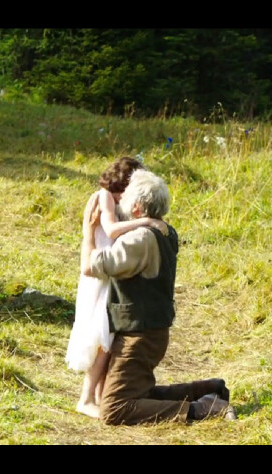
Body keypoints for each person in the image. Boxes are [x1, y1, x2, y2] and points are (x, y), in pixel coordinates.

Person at [81, 169, 235, 425]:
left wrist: (89, 231)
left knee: (115, 409)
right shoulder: (165, 232)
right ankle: (209, 390)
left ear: (138, 208)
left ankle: (204, 408)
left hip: (138, 336)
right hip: (150, 331)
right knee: (138, 394)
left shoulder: (140, 240)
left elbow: (91, 266)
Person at [66, 157, 167, 419]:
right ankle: (86, 398)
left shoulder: (114, 198)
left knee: (108, 335)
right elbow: (110, 230)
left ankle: (99, 395)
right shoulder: (105, 196)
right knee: (102, 335)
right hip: (99, 273)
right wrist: (146, 222)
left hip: (108, 270)